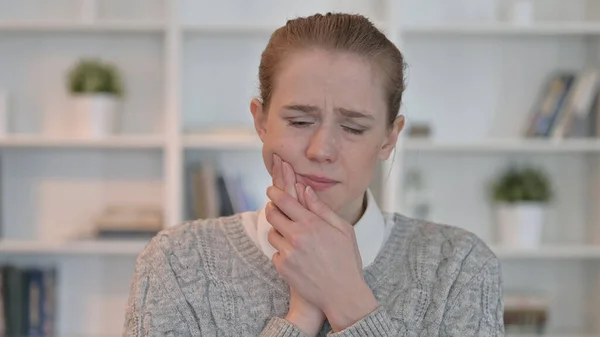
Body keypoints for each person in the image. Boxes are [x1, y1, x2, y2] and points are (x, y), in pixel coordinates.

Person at [123, 12, 504, 337]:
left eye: (354, 128)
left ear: (389, 137)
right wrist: (301, 317)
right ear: (261, 121)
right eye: (300, 120)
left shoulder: (459, 268)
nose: (321, 150)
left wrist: (347, 300)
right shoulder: (177, 262)